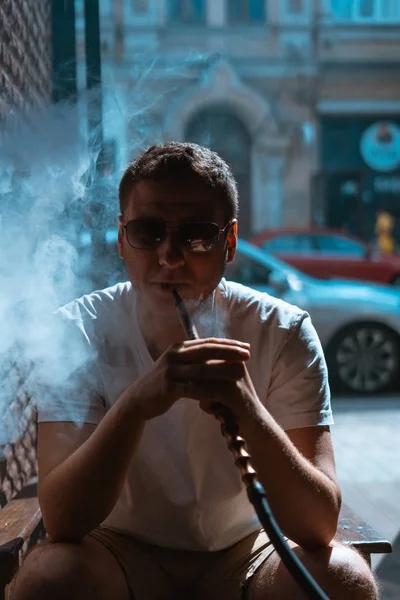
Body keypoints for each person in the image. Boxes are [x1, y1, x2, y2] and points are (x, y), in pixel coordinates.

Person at [12, 143, 378, 600]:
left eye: (198, 235)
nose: (170, 257)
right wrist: (134, 406)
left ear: (229, 242)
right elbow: (64, 518)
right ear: (122, 239)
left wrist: (247, 407)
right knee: (48, 577)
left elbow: (318, 523)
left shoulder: (282, 331)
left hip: (247, 547)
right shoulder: (80, 331)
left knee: (342, 579)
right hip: (119, 548)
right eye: (147, 232)